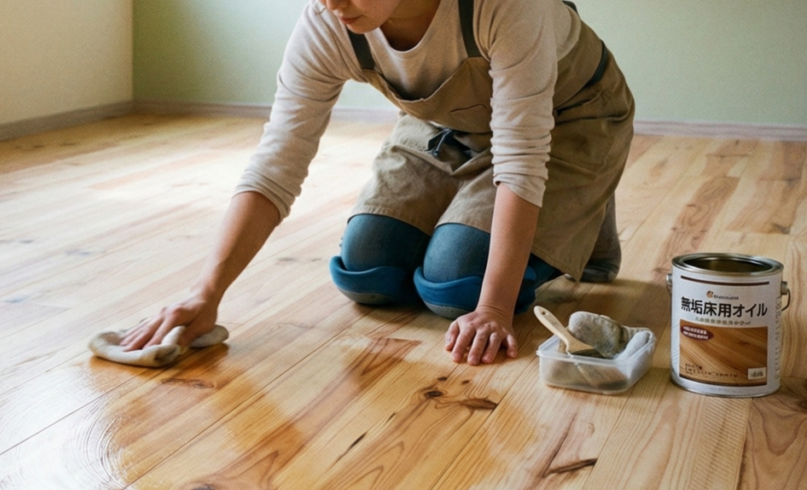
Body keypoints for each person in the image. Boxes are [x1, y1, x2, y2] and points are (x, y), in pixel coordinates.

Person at [121, 0, 634, 365]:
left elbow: (522, 158)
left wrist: (492, 309)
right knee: (366, 270)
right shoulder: (328, 22)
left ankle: (585, 213)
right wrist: (206, 291)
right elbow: (277, 162)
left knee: (458, 284)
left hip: (569, 121)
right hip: (449, 125)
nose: (331, 1)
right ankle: (516, 214)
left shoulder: (509, 6)